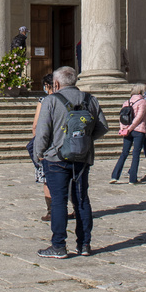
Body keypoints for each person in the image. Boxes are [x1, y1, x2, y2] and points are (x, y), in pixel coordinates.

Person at [32, 65, 108, 259]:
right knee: (81, 200)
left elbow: (42, 132)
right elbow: (103, 127)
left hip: (56, 158)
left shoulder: (50, 101)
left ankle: (58, 245)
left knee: (59, 202)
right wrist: (84, 141)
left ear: (56, 83)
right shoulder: (90, 99)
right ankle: (84, 244)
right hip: (82, 157)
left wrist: (38, 153)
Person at [27, 73, 74, 222]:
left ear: (49, 86)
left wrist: (39, 150)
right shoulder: (73, 99)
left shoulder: (46, 100)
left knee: (47, 179)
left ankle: (51, 211)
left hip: (49, 150)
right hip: (71, 147)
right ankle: (76, 208)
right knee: (71, 180)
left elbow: (36, 127)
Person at [110, 83, 146, 186]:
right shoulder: (142, 102)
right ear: (140, 91)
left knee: (124, 153)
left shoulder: (126, 102)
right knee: (135, 154)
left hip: (127, 131)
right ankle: (132, 178)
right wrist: (131, 128)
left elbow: (122, 117)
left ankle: (114, 176)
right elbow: (139, 118)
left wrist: (124, 129)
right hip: (138, 131)